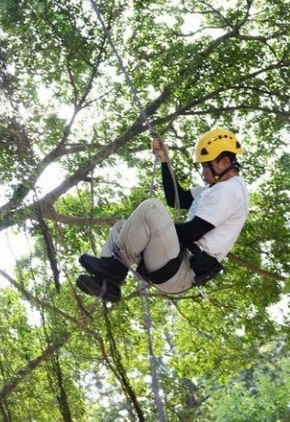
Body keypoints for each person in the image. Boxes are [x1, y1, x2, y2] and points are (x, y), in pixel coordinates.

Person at [77, 128, 249, 302]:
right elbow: (176, 198)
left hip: (181, 270)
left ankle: (114, 270)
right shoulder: (213, 190)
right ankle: (107, 286)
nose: (203, 173)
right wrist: (164, 159)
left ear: (224, 162)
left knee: (151, 209)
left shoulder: (230, 190)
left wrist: (153, 229)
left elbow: (191, 232)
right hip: (171, 261)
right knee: (122, 228)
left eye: (206, 166)